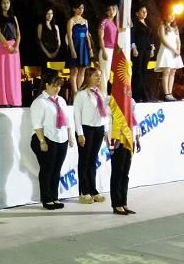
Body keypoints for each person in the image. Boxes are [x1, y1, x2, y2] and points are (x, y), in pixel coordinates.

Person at [30, 70, 74, 210]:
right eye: (54, 85)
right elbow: (37, 124)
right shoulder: (39, 102)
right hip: (46, 139)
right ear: (47, 85)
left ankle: (54, 197)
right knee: (47, 170)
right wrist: (42, 141)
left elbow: (67, 120)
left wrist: (70, 136)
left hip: (61, 139)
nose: (57, 88)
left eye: (59, 86)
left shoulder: (61, 100)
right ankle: (46, 198)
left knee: (56, 170)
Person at [73, 67, 108, 204]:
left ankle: (93, 190)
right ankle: (84, 192)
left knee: (93, 160)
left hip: (98, 128)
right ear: (88, 77)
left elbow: (105, 113)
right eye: (96, 76)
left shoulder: (100, 93)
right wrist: (80, 134)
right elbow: (77, 115)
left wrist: (105, 130)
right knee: (84, 160)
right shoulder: (81, 95)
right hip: (86, 129)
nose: (99, 78)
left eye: (99, 76)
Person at [109, 96, 141, 215]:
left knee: (125, 174)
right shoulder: (112, 100)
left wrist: (137, 138)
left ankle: (123, 202)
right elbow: (108, 122)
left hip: (129, 140)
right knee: (117, 172)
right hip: (117, 140)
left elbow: (134, 119)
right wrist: (111, 142)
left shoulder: (131, 101)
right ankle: (116, 204)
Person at [0, 0, 21, 107]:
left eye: (8, 2)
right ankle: (3, 101)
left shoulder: (14, 17)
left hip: (14, 47)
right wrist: (7, 45)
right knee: (3, 73)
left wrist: (16, 45)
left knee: (13, 74)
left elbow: (18, 32)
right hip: (3, 46)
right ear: (0, 4)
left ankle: (14, 100)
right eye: (3, 3)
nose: (5, 4)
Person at [66, 0, 93, 96]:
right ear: (74, 9)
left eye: (82, 8)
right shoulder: (71, 21)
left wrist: (90, 49)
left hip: (83, 46)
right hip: (75, 44)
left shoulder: (85, 21)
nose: (81, 10)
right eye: (79, 8)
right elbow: (69, 37)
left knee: (82, 70)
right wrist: (72, 50)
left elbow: (87, 36)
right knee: (74, 71)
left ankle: (80, 93)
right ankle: (75, 94)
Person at [155, 11, 183, 101]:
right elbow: (163, 40)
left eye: (173, 16)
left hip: (174, 52)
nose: (172, 17)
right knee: (166, 71)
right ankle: (166, 94)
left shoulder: (175, 28)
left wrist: (178, 49)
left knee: (173, 71)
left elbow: (178, 40)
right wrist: (173, 49)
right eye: (170, 15)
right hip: (166, 51)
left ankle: (170, 93)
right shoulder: (162, 27)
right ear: (165, 16)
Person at [131, 5, 155, 103]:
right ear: (137, 13)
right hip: (138, 49)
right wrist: (134, 48)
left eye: (145, 11)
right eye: (142, 11)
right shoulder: (134, 23)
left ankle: (144, 94)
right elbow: (132, 35)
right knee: (137, 71)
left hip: (147, 49)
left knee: (144, 71)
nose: (144, 13)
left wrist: (152, 48)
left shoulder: (147, 23)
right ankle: (136, 95)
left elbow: (150, 37)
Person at [98, 4, 117, 95]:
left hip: (114, 50)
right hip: (106, 49)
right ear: (107, 12)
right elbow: (101, 37)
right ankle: (103, 94)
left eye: (113, 9)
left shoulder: (115, 23)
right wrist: (103, 51)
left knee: (111, 74)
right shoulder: (104, 22)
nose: (112, 12)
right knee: (105, 73)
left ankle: (111, 94)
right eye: (110, 10)